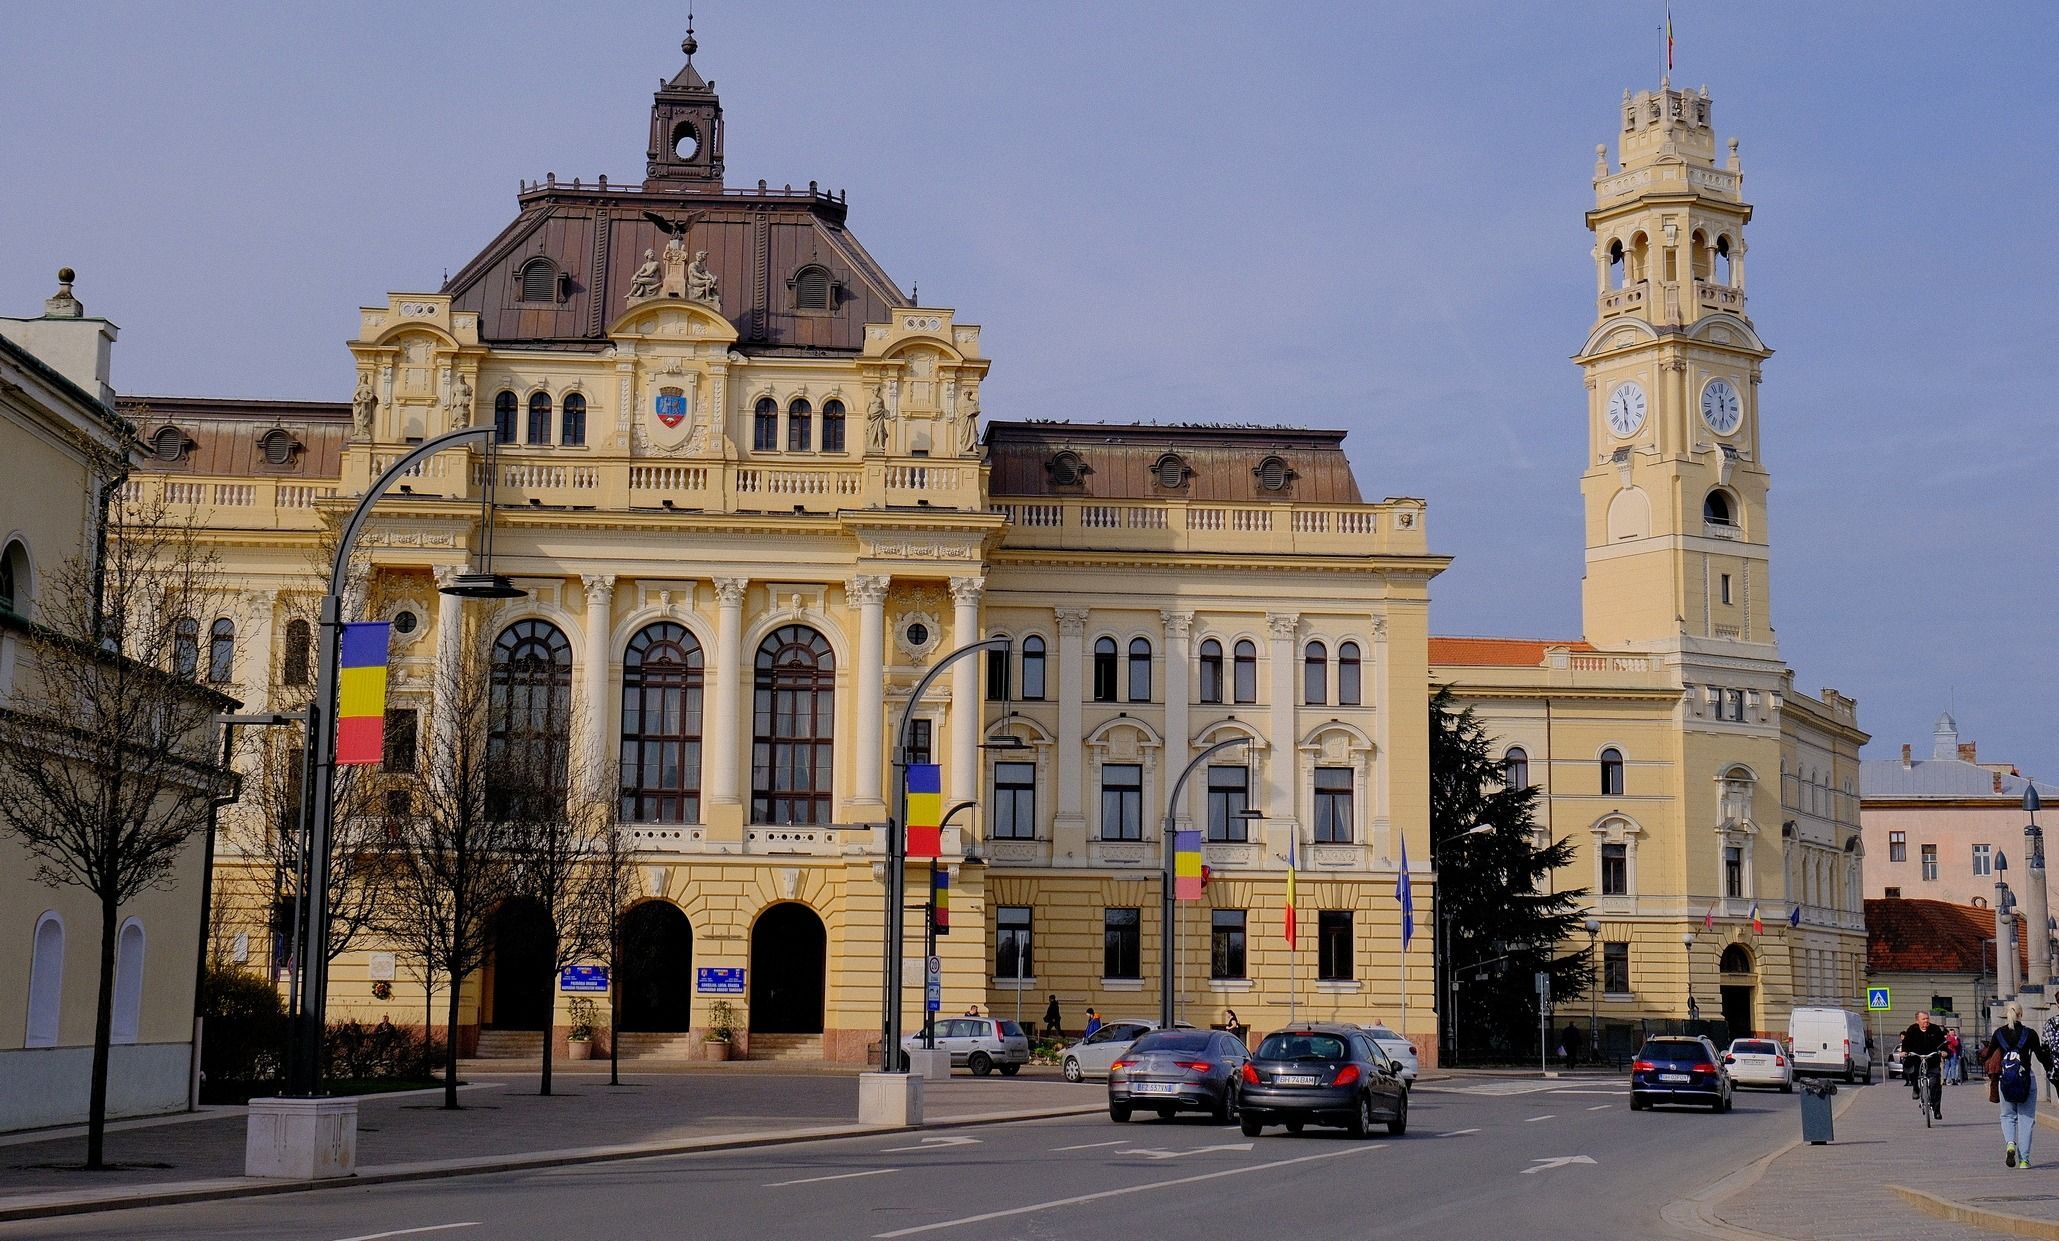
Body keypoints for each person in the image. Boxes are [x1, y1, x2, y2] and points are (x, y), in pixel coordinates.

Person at [1986, 1001, 2057, 1168]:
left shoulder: (1999, 1034)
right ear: (2021, 1014)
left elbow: (1987, 1055)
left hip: (2006, 1080)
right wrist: (2051, 1066)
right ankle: (2024, 1160)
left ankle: (2010, 1143)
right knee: (2026, 1119)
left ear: (2006, 1014)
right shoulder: (2029, 1033)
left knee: (2008, 1116)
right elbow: (2041, 1056)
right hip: (2026, 1079)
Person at [1900, 1010, 1947, 1119]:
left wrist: (1943, 1051)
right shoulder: (1912, 1030)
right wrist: (1904, 1051)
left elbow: (1942, 1043)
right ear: (1917, 1021)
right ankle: (1916, 1088)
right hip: (1916, 1058)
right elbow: (1906, 1043)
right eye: (1923, 1019)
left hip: (1932, 1059)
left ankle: (1936, 1110)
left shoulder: (1935, 1029)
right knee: (1912, 1070)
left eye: (1927, 1018)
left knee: (1935, 1084)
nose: (1926, 1021)